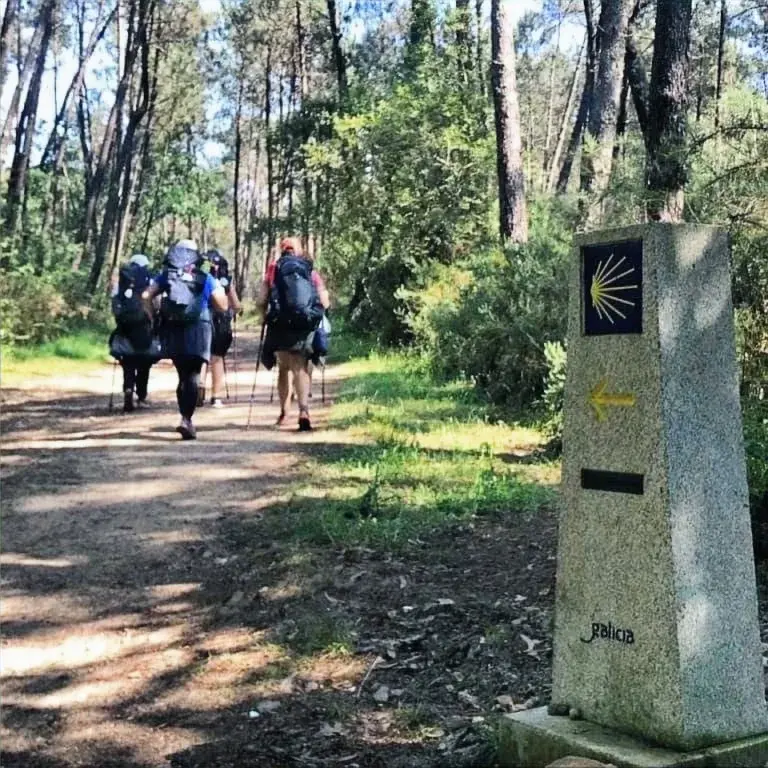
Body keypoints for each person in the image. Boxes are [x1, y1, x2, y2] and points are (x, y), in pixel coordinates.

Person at [144, 239, 228, 439]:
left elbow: (146, 295)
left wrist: (153, 316)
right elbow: (223, 305)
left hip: (174, 327)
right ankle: (186, 419)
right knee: (193, 374)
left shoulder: (167, 275)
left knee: (183, 374)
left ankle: (185, 417)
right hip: (199, 328)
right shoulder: (204, 276)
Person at [258, 237, 330, 431]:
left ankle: (284, 412)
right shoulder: (308, 269)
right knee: (300, 367)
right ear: (299, 250)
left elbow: (261, 299)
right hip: (303, 324)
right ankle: (304, 411)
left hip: (280, 323)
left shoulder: (274, 269)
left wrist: (263, 316)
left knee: (283, 368)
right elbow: (324, 300)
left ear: (282, 250)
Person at [109, 254, 158, 413]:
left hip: (125, 327)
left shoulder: (122, 282)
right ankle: (141, 396)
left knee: (128, 360)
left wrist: (121, 319)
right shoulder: (150, 280)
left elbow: (114, 303)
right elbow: (156, 302)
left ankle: (128, 389)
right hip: (145, 326)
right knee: (145, 361)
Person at [205, 249, 241, 407]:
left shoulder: (201, 278)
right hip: (221, 323)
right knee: (217, 358)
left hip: (202, 320)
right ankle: (216, 397)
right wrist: (235, 310)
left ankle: (198, 390)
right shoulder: (226, 281)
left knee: (202, 357)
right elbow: (236, 305)